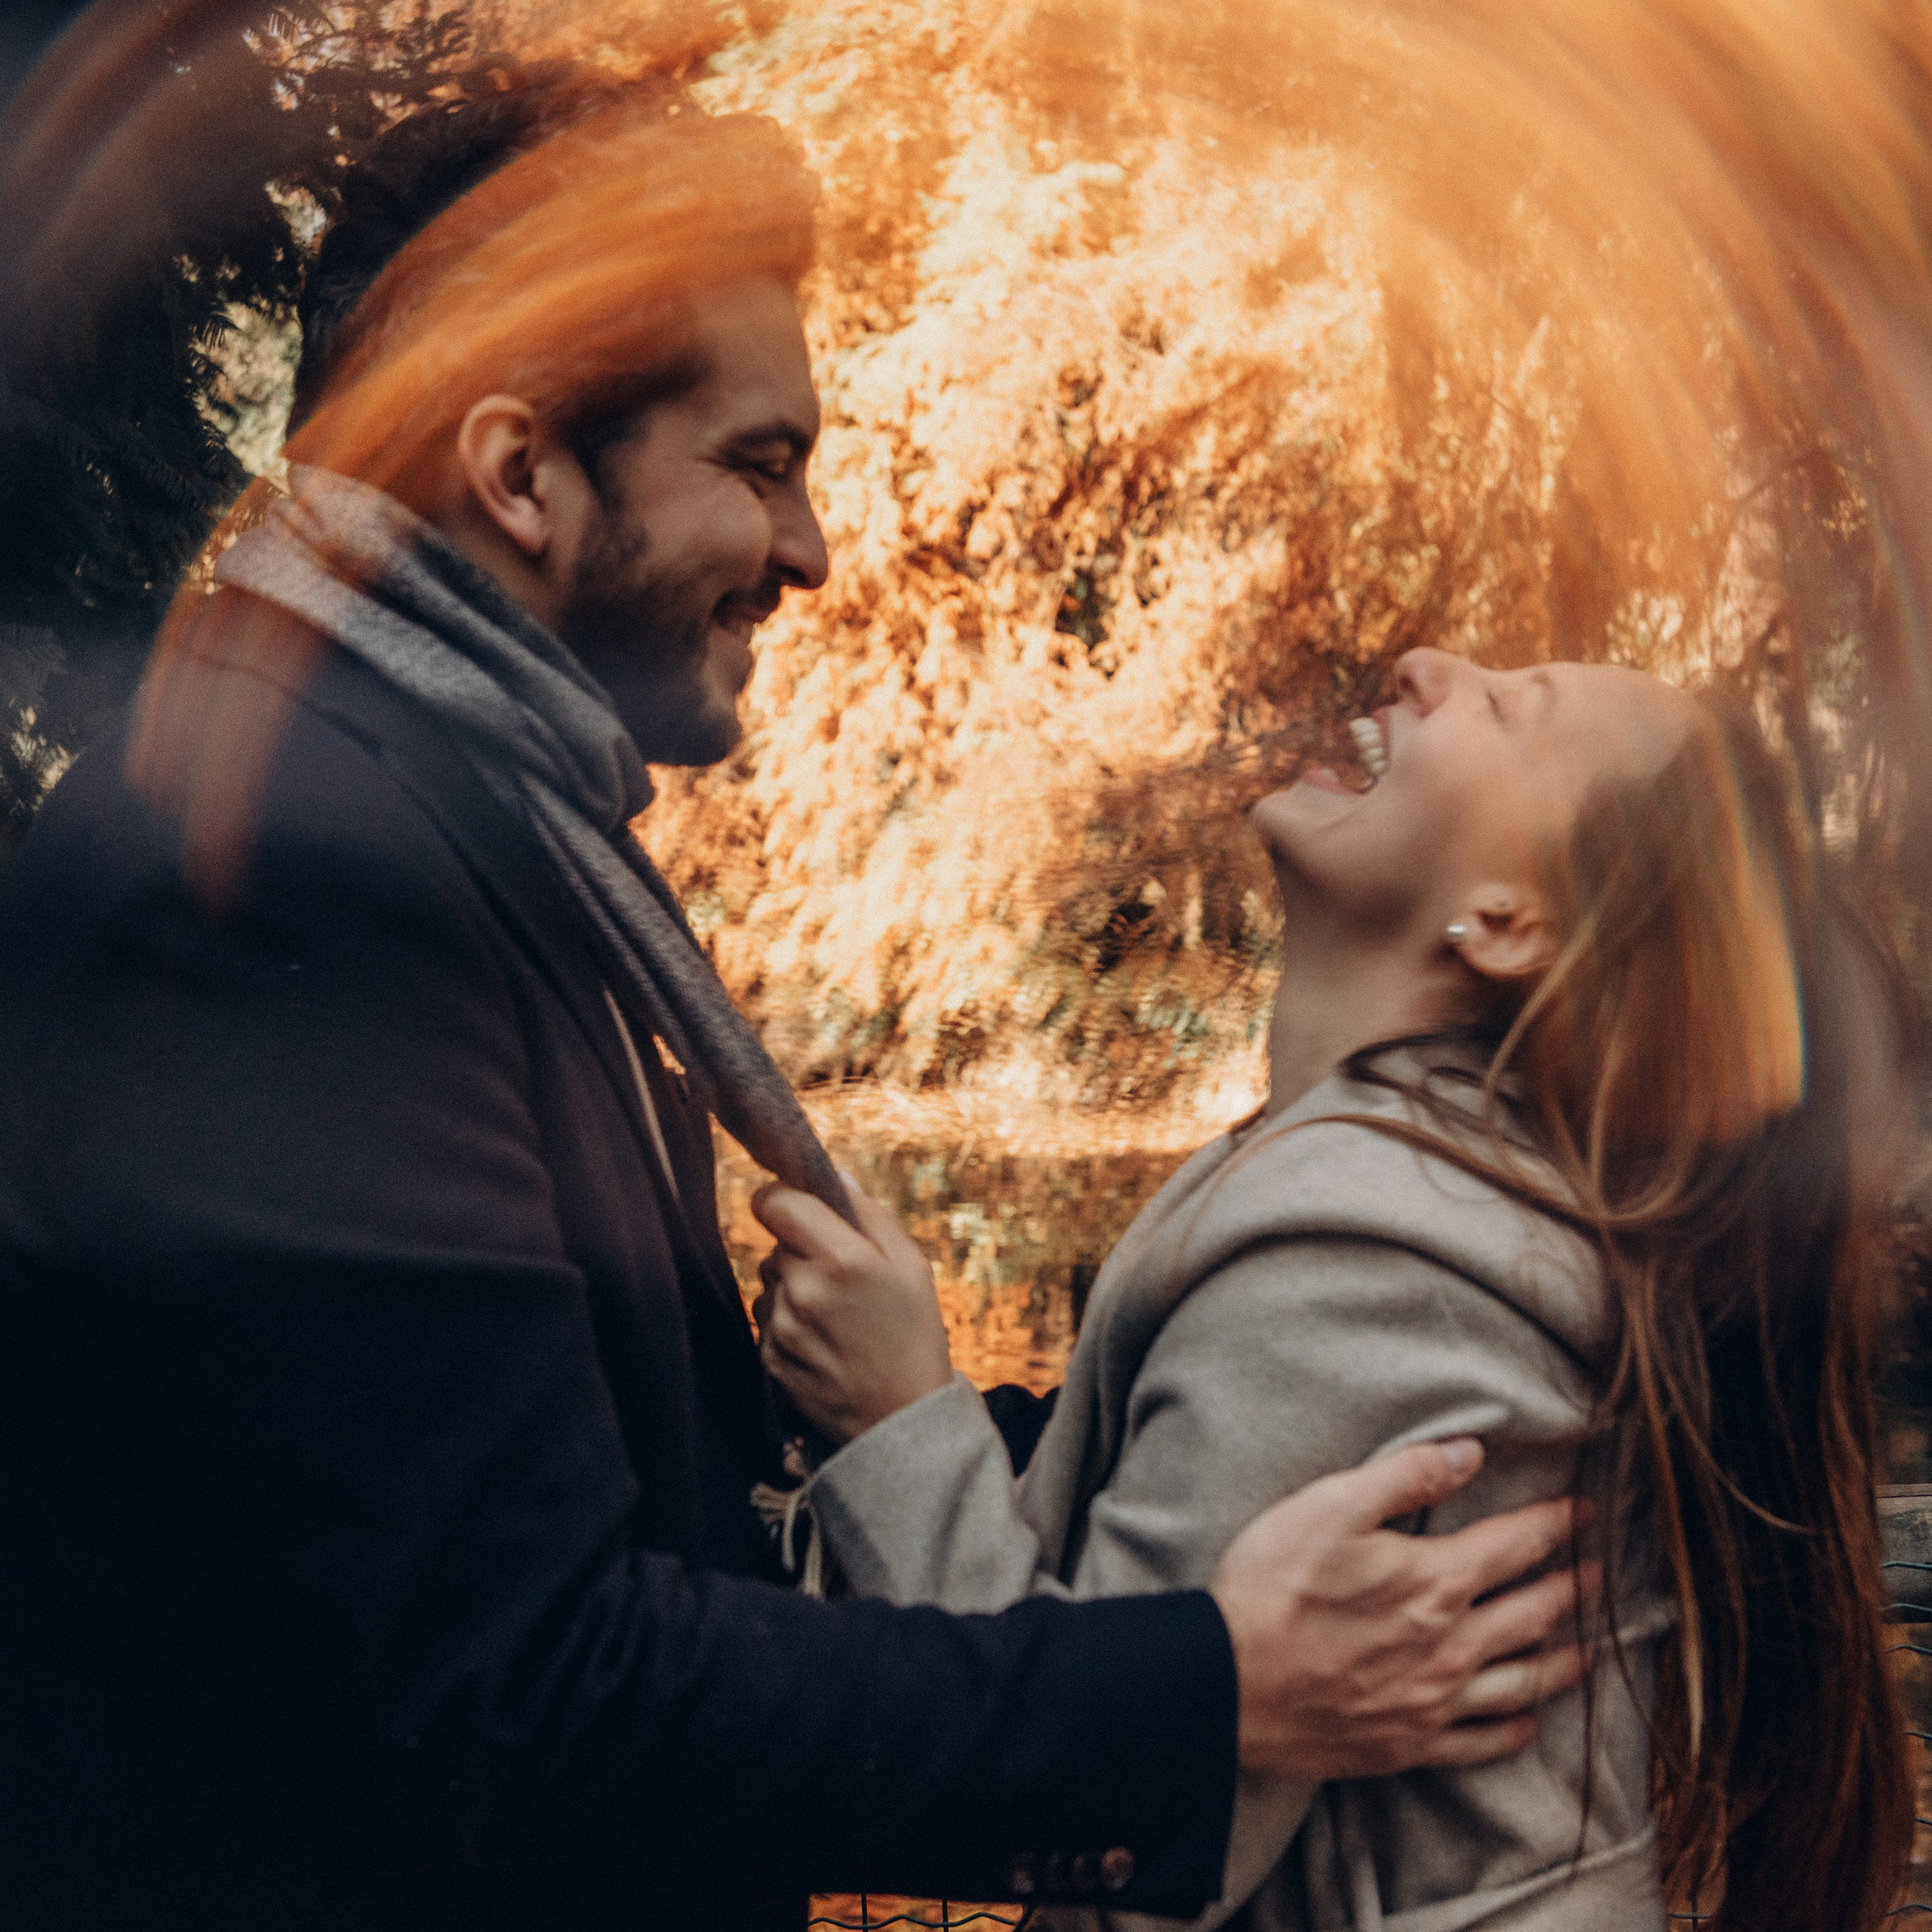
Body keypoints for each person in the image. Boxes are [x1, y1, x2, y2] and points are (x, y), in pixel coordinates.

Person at [0, 93, 1595, 1932]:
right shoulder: (280, 868)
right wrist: (1213, 1685)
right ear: (519, 475)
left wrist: (1098, 1446)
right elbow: (546, 1703)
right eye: (760, 461)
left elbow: (636, 1482)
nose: (817, 547)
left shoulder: (434, 815)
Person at [754, 648, 1916, 1931]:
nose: (1427, 666)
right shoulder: (1424, 1207)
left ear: (1509, 922)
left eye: (1510, 706)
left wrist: (897, 1421)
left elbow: (1114, 1847)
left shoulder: (1363, 1262)